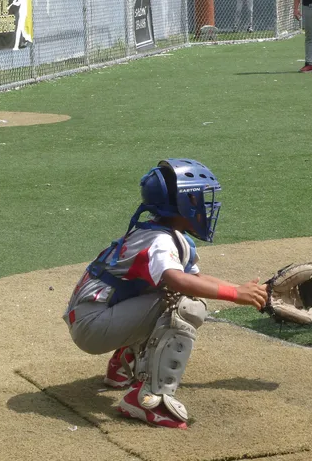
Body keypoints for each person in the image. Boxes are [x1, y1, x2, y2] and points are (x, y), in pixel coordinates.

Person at [63, 159, 269, 429]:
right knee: (186, 305)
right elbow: (178, 280)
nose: (205, 205)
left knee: (177, 293)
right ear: (181, 204)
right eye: (197, 197)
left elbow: (195, 278)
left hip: (95, 316)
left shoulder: (165, 235)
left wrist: (247, 291)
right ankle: (149, 398)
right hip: (93, 325)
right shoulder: (160, 241)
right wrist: (234, 293)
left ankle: (125, 362)